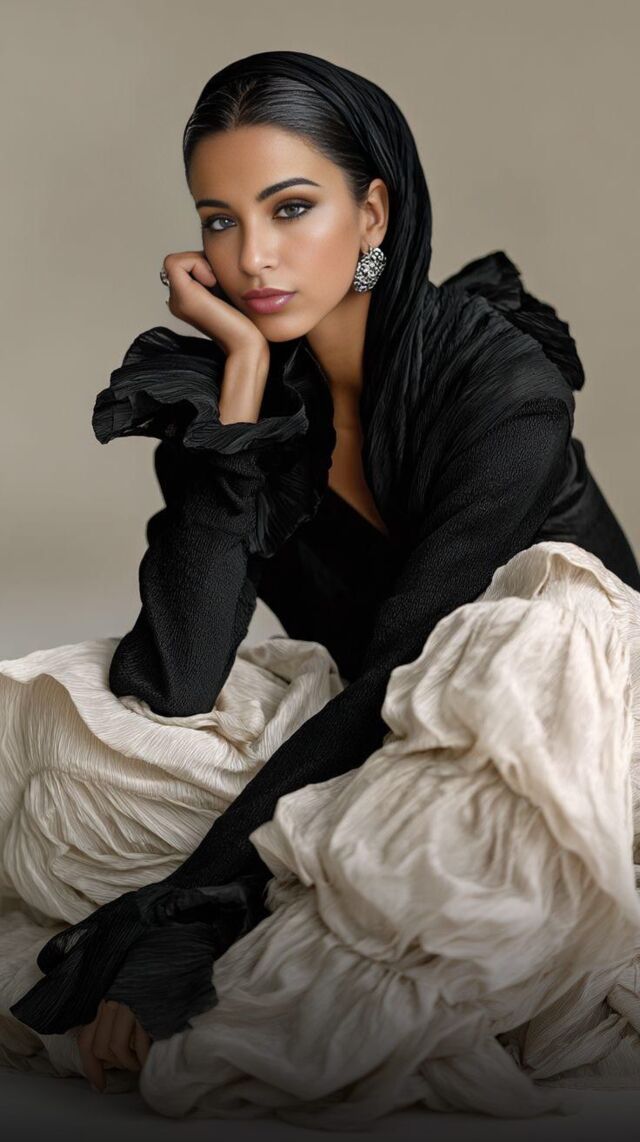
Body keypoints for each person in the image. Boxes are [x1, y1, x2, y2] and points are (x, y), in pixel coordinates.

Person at [2, 49, 640, 1126]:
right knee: (68, 746)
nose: (252, 256)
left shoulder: (498, 382)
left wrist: (181, 911)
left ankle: (313, 905)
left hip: (558, 731)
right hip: (381, 732)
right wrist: (242, 390)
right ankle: (320, 886)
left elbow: (411, 659)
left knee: (502, 676)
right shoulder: (239, 407)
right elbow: (172, 681)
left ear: (372, 212)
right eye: (219, 219)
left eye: (290, 208)